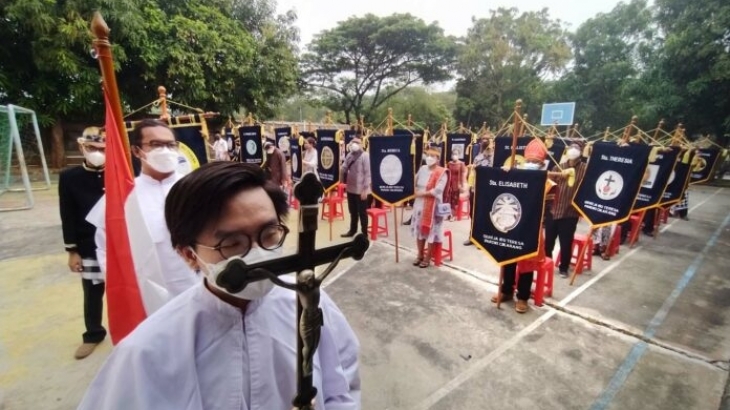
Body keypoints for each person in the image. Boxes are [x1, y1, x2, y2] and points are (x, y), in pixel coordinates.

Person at [77, 162, 360, 409]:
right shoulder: (149, 350)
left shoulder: (309, 302)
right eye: (233, 243)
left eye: (269, 234)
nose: (258, 255)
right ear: (189, 255)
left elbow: (343, 381)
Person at [89, 119, 198, 298]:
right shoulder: (122, 197)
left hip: (197, 288)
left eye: (171, 145)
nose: (165, 150)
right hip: (146, 295)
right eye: (155, 144)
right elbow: (107, 248)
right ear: (136, 151)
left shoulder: (197, 188)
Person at [58, 127, 107, 359]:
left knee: (130, 289)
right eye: (92, 148)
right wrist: (72, 251)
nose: (97, 152)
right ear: (82, 147)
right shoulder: (70, 178)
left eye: (101, 148)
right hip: (89, 245)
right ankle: (93, 334)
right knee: (92, 291)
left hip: (120, 244)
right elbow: (67, 216)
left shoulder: (122, 172)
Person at [492, 139, 556, 313]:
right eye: (528, 161)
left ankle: (523, 297)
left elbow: (547, 208)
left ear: (542, 164)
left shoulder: (548, 183)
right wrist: (505, 174)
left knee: (527, 263)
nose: (531, 165)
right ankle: (506, 291)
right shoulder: (517, 176)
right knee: (509, 259)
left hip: (531, 229)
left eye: (535, 163)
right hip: (513, 225)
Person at [544, 142, 587, 278]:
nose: (573, 150)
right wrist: (554, 175)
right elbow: (548, 183)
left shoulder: (585, 169)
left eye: (577, 147)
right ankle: (548, 263)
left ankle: (564, 267)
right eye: (571, 147)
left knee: (566, 242)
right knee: (549, 241)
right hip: (553, 210)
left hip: (570, 212)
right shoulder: (558, 167)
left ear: (581, 150)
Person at [411, 146, 449, 268]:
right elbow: (414, 182)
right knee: (419, 231)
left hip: (433, 206)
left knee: (430, 232)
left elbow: (438, 191)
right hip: (419, 204)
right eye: (428, 155)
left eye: (433, 156)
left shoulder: (442, 172)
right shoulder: (422, 169)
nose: (429, 158)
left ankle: (428, 258)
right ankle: (420, 254)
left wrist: (421, 193)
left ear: (438, 158)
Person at [463, 138, 493, 245]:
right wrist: (469, 187)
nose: (484, 142)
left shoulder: (493, 158)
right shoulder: (477, 157)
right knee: (473, 214)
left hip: (486, 190)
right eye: (483, 140)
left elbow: (491, 172)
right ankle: (473, 236)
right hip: (475, 189)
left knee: (484, 214)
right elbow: (472, 174)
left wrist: (477, 168)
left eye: (487, 139)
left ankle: (483, 239)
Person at [340, 137, 371, 238]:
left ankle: (364, 233)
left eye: (357, 142)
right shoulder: (349, 155)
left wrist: (365, 189)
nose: (354, 144)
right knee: (352, 211)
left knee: (362, 213)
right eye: (353, 142)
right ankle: (352, 230)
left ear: (361, 144)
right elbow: (344, 167)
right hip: (350, 188)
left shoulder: (365, 156)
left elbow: (368, 174)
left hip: (362, 190)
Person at [446, 150, 467, 222]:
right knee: (448, 199)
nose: (454, 155)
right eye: (453, 154)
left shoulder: (461, 164)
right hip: (449, 183)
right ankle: (449, 214)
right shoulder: (449, 163)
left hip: (457, 184)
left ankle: (453, 215)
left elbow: (463, 175)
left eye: (456, 154)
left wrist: (462, 185)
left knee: (455, 200)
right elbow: (447, 173)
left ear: (458, 155)